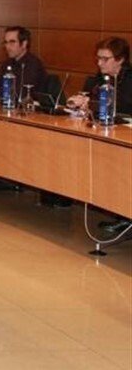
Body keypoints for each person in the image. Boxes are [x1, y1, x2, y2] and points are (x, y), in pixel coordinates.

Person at [70, 38, 132, 236]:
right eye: (98, 58)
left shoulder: (129, 80)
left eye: (105, 59)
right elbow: (93, 101)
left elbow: (124, 108)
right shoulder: (99, 78)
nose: (99, 63)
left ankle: (126, 217)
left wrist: (93, 103)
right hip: (106, 131)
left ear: (120, 59)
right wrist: (81, 101)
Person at [0, 25, 48, 99]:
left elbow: (20, 92)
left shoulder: (33, 64)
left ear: (24, 44)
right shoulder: (8, 62)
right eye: (6, 42)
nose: (7, 47)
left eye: (12, 42)